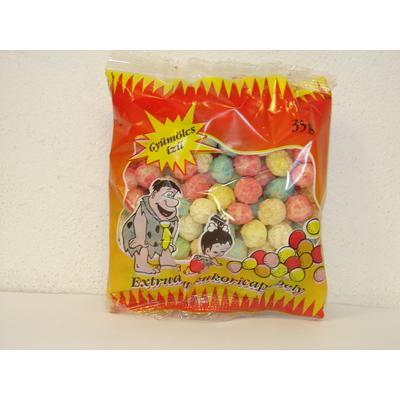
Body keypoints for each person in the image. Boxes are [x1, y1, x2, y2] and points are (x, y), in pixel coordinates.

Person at [122, 178, 181, 274]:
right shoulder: (145, 207)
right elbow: (139, 220)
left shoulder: (170, 212)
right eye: (168, 195)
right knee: (142, 247)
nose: (172, 200)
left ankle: (166, 262)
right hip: (138, 232)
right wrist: (139, 238)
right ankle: (141, 265)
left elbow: (172, 227)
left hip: (158, 235)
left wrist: (170, 242)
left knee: (165, 246)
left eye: (173, 196)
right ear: (154, 194)